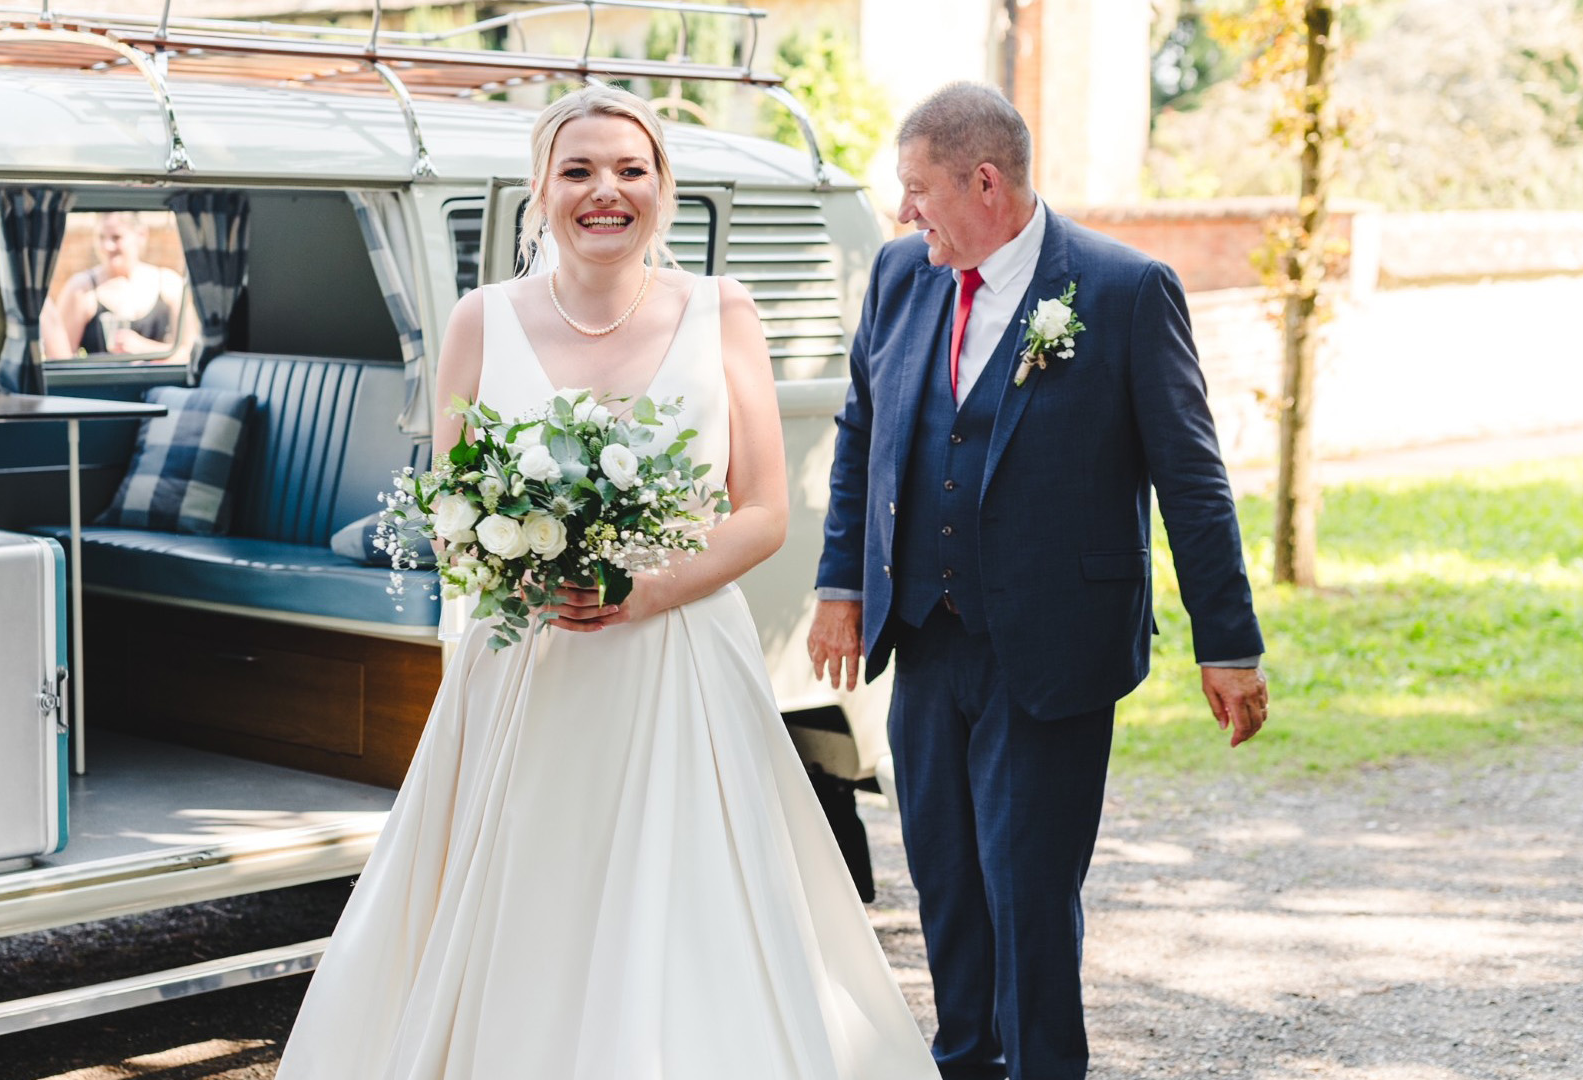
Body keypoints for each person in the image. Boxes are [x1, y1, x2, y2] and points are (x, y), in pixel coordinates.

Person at [276, 85, 938, 1079]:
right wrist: (521, 566)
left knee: (688, 902)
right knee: (528, 896)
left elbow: (762, 510)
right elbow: (451, 513)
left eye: (632, 170)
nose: (606, 191)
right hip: (530, 665)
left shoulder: (723, 310)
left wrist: (650, 588)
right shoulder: (479, 322)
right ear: (540, 190)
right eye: (579, 170)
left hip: (682, 662)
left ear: (661, 187)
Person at [807, 83, 1270, 1080]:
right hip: (926, 642)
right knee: (944, 886)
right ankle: (964, 1062)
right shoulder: (900, 276)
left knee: (1026, 893)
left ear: (984, 181)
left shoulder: (1120, 291)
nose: (903, 212)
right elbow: (863, 438)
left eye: (916, 188)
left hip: (1054, 647)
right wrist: (841, 584)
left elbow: (1193, 480)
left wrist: (1226, 643)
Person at [50, 211, 192, 359]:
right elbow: (61, 357)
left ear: (141, 235)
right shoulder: (80, 288)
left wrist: (144, 348)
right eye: (101, 237)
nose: (107, 246)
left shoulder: (170, 284)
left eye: (116, 237)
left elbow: (188, 352)